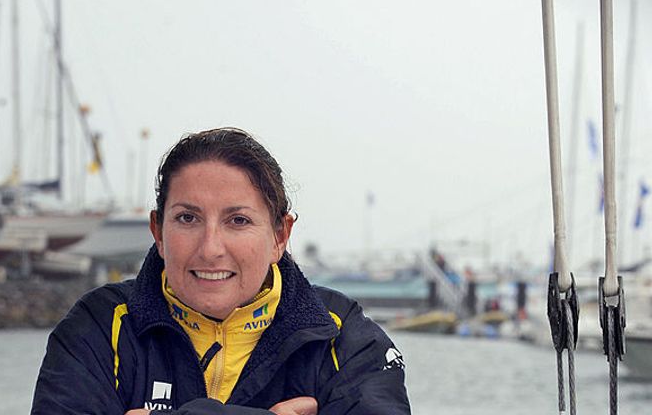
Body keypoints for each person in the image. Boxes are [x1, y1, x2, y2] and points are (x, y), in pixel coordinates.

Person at [32, 128, 410, 414]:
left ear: (280, 235)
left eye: (238, 220)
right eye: (187, 218)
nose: (210, 248)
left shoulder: (345, 339)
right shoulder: (99, 329)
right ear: (158, 232)